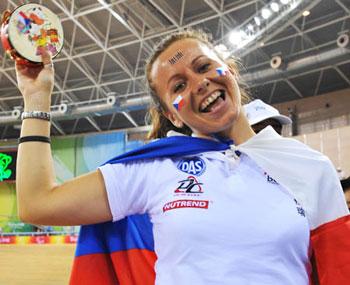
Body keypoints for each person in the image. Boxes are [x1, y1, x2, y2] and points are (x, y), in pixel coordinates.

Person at [15, 30, 349, 285]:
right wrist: (37, 97)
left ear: (230, 71)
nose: (199, 83)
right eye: (178, 86)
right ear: (172, 117)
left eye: (204, 67)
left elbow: (339, 270)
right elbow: (38, 202)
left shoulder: (309, 167)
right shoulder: (156, 168)